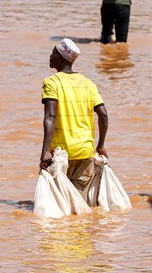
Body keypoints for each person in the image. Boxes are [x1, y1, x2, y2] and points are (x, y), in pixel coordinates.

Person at [39, 39, 109, 198]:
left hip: (61, 153)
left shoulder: (51, 83)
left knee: (58, 205)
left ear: (62, 58)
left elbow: (50, 116)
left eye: (53, 53)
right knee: (79, 204)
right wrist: (101, 145)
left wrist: (45, 151)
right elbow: (103, 114)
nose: (50, 56)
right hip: (85, 151)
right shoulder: (88, 84)